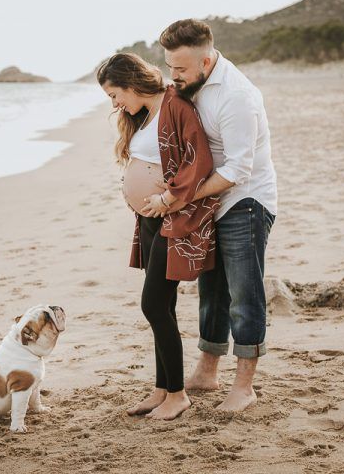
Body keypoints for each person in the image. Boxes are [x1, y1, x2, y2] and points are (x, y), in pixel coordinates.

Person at [143, 19, 278, 412]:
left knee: (243, 294)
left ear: (206, 61)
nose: (175, 76)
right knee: (212, 291)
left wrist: (178, 198)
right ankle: (207, 370)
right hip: (209, 204)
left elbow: (238, 170)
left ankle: (245, 386)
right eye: (170, 67)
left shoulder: (237, 97)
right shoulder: (190, 85)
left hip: (245, 202)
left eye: (181, 69)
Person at [96, 53, 220, 420]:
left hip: (173, 218)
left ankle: (178, 395)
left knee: (153, 305)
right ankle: (162, 389)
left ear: (132, 83)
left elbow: (199, 160)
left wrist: (167, 198)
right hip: (149, 222)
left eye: (115, 94)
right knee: (162, 307)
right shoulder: (143, 114)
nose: (115, 103)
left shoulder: (176, 104)